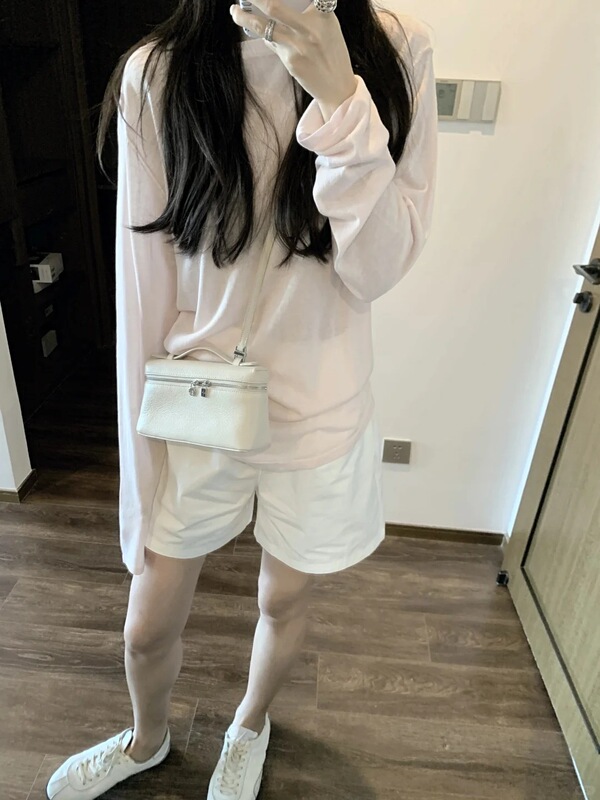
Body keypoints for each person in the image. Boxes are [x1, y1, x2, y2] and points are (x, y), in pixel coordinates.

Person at [46, 0, 437, 797]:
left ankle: (248, 726)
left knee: (283, 600)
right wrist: (138, 483)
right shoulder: (159, 73)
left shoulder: (398, 51)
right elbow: (143, 293)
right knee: (146, 626)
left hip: (321, 404)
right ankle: (147, 739)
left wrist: (341, 101)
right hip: (200, 399)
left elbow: (376, 271)